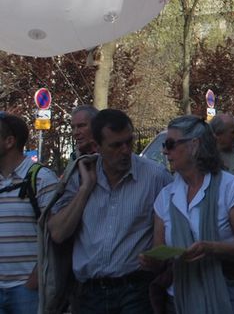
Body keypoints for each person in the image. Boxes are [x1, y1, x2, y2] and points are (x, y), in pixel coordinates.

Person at [50, 109, 172, 314]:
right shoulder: (80, 176)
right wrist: (86, 188)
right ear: (97, 146)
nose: (125, 150)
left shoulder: (155, 177)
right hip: (89, 293)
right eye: (116, 145)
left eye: (129, 142)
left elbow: (177, 225)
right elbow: (58, 233)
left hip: (136, 291)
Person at [142, 115, 234, 313]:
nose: (164, 151)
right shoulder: (165, 197)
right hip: (180, 300)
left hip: (229, 298)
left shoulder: (230, 188)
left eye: (170, 144)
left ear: (194, 145)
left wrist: (212, 248)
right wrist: (151, 260)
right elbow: (159, 251)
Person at [0, 113, 58, 314]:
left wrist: (34, 281)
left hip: (27, 290)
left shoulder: (42, 178)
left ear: (9, 142)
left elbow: (55, 237)